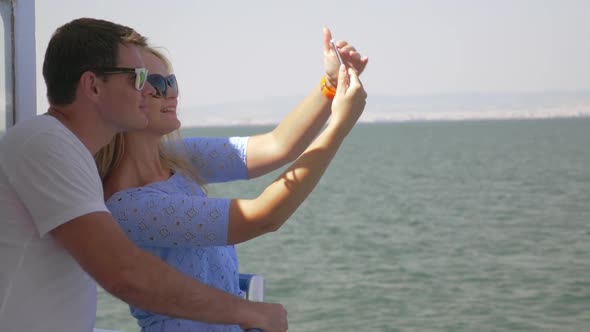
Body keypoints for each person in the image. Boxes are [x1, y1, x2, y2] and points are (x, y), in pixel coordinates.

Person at [0, 18, 287, 332]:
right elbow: (124, 273)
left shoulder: (65, 149)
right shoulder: (46, 144)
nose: (149, 89)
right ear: (93, 86)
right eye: (137, 78)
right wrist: (248, 312)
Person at [95, 28, 368, 331]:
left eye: (171, 81)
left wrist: (329, 86)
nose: (171, 92)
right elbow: (263, 217)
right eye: (157, 84)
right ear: (124, 97)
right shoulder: (129, 207)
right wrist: (340, 124)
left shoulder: (175, 157)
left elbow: (277, 146)